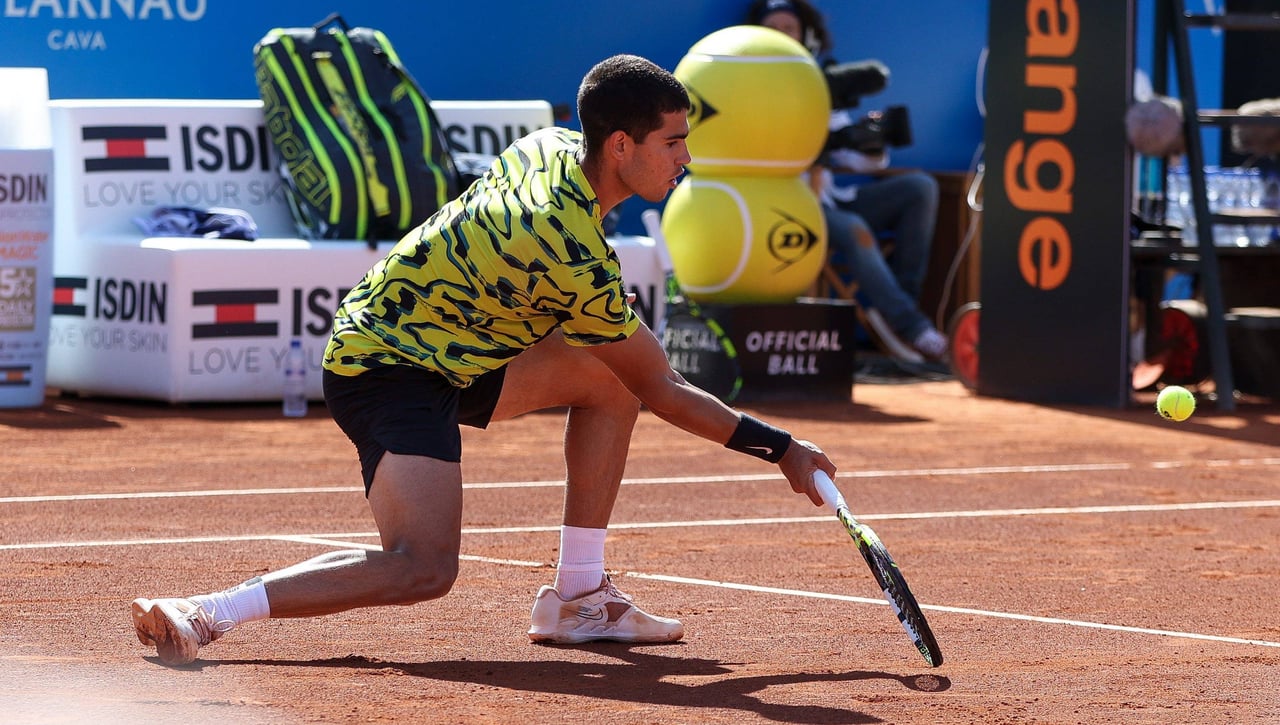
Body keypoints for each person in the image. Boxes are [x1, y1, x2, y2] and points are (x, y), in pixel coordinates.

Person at [130, 54, 838, 667]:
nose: (687, 158)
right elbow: (666, 386)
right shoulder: (571, 253)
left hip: (457, 349)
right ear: (621, 145)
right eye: (674, 142)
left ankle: (580, 598)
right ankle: (209, 609)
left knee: (607, 379)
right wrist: (781, 448)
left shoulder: (554, 146)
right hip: (386, 364)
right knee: (423, 567)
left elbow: (632, 374)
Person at [747, 0, 948, 362]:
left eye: (787, 29)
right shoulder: (747, 87)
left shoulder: (821, 83)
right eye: (771, 28)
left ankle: (898, 311)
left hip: (834, 197)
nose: (779, 36)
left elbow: (855, 160)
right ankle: (913, 327)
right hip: (791, 206)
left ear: (807, 36)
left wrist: (870, 139)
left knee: (920, 187)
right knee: (854, 227)